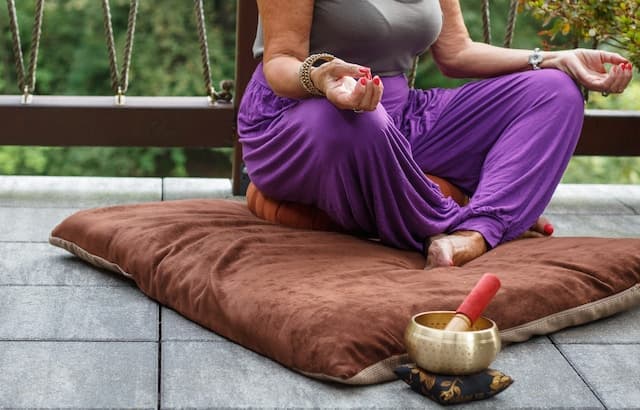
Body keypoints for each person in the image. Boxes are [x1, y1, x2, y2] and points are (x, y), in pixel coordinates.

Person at [237, 0, 633, 269]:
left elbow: (457, 52)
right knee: (361, 123)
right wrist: (322, 79)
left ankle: (476, 233)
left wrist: (550, 59)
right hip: (300, 117)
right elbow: (280, 62)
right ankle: (476, 218)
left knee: (555, 90)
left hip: (399, 116)